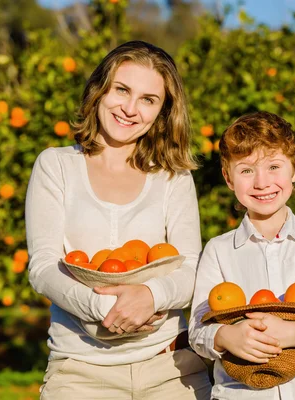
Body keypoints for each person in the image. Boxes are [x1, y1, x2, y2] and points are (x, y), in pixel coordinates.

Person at [25, 41, 212, 400]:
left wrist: (151, 295)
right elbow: (43, 267)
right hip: (80, 372)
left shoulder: (172, 176)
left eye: (148, 99)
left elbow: (191, 269)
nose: (130, 109)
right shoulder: (56, 166)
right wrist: (107, 309)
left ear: (162, 111)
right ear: (99, 90)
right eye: (122, 90)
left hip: (170, 369)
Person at [188, 111, 295, 400]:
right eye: (247, 170)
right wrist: (226, 337)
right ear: (228, 177)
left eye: (274, 166)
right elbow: (198, 328)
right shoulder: (219, 250)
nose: (262, 183)